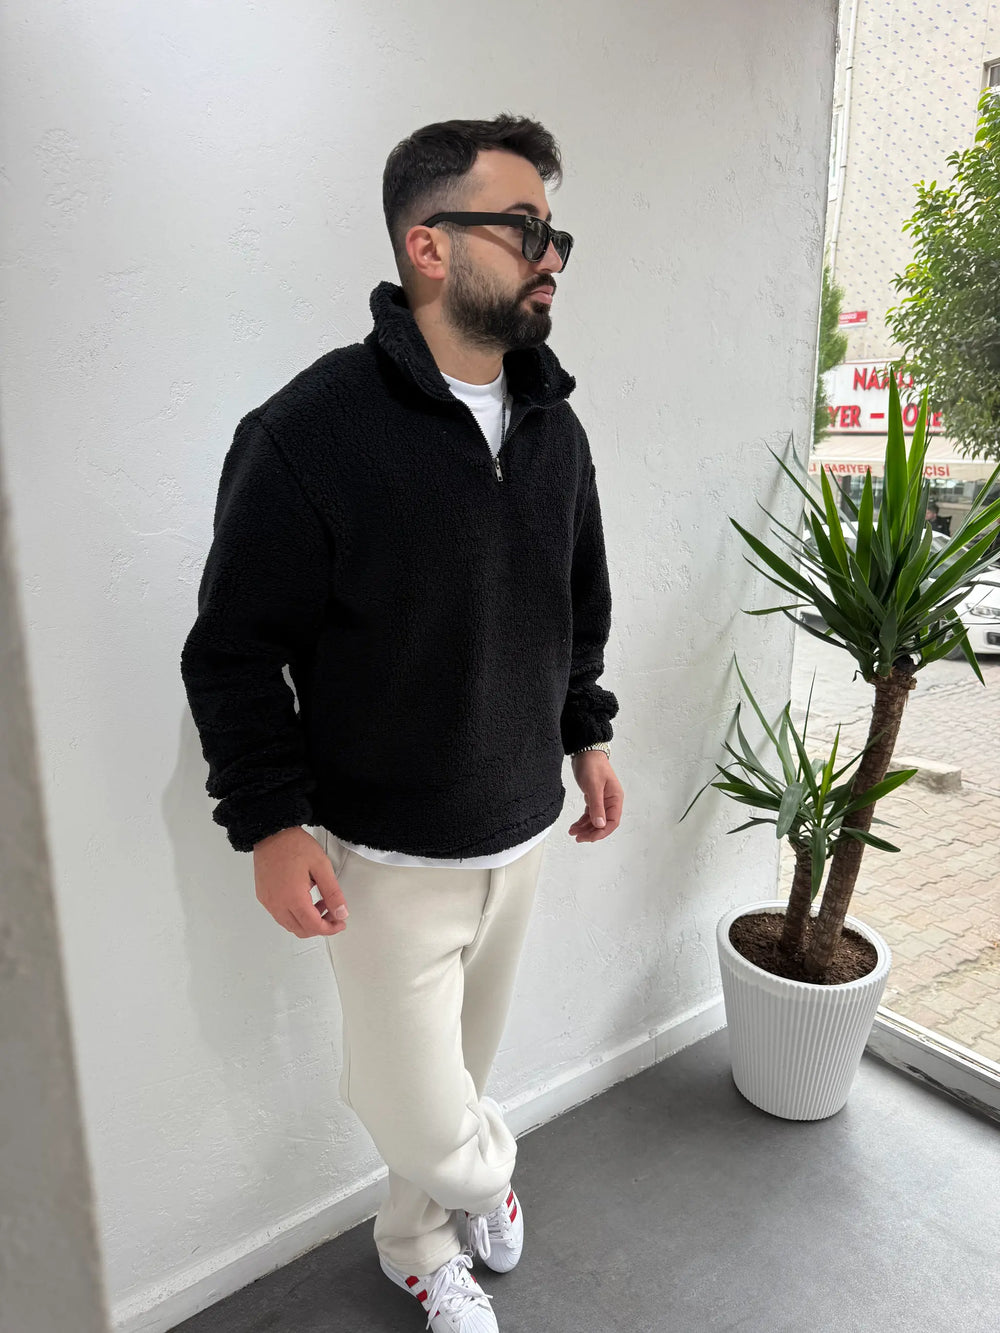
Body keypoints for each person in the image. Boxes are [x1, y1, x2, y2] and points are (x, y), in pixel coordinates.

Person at [180, 114, 623, 1333]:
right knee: (417, 1102)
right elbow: (231, 650)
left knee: (461, 1070)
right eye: (522, 228)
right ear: (428, 245)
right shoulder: (308, 433)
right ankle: (484, 1177)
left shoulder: (554, 425)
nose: (550, 256)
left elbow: (577, 602)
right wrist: (270, 822)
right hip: (385, 851)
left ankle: (416, 1243)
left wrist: (585, 732)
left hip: (521, 825)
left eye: (555, 233)